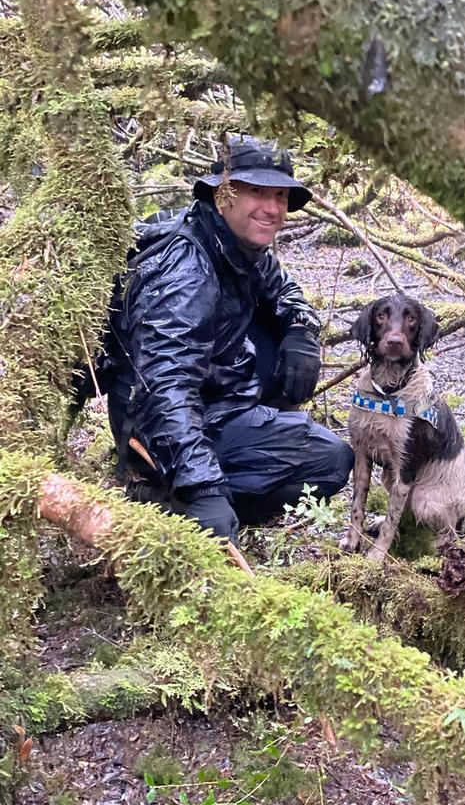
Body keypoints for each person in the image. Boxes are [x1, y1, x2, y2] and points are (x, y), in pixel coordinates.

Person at [107, 136, 354, 544]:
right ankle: (168, 500)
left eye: (280, 195)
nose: (272, 208)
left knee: (332, 458)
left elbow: (284, 290)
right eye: (257, 191)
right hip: (162, 428)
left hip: (217, 401)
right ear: (223, 194)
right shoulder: (187, 270)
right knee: (326, 463)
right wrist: (202, 487)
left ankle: (202, 496)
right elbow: (164, 387)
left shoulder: (236, 244)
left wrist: (300, 330)